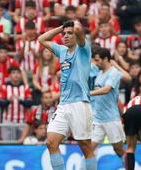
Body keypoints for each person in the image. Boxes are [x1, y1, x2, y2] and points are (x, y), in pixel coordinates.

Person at [38, 20, 96, 170]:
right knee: (51, 142)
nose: (66, 36)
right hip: (63, 105)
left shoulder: (83, 49)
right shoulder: (62, 51)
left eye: (69, 33)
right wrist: (61, 28)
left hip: (80, 103)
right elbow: (41, 39)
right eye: (64, 34)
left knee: (85, 146)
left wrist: (74, 27)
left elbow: (80, 32)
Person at [89, 48, 132, 166]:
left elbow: (107, 89)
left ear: (106, 59)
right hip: (97, 119)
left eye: (98, 60)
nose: (96, 63)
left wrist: (89, 93)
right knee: (89, 149)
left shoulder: (113, 73)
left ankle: (130, 166)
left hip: (111, 119)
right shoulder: (99, 73)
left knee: (118, 150)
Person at [0, 66, 33, 141]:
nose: (16, 75)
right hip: (7, 121)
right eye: (13, 73)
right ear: (9, 75)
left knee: (22, 144)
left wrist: (20, 100)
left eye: (18, 73)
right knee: (7, 144)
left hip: (22, 121)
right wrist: (9, 101)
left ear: (20, 75)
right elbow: (1, 103)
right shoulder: (4, 87)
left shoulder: (25, 87)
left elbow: (29, 103)